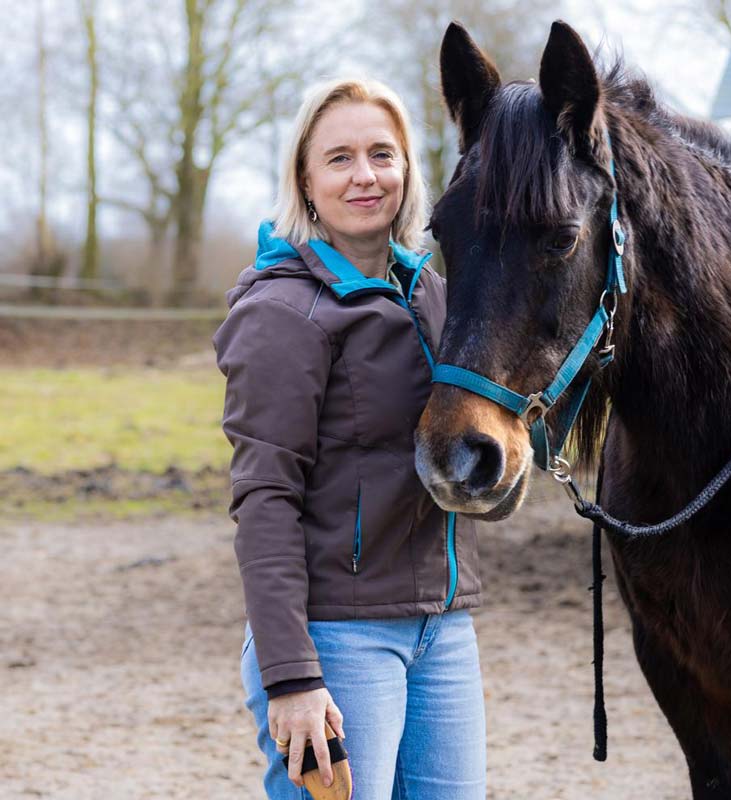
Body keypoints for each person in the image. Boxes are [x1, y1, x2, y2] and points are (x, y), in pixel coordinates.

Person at [213, 77, 486, 800]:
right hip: (337, 637)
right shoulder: (282, 312)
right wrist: (292, 677)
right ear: (304, 179)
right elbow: (265, 498)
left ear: (407, 170)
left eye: (382, 154)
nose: (365, 175)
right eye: (339, 158)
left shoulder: (435, 293)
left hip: (443, 629)